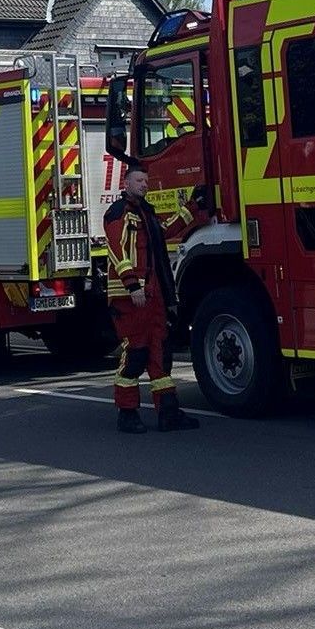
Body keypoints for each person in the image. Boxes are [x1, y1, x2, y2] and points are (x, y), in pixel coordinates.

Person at [104, 162, 206, 434]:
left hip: (154, 296)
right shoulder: (118, 213)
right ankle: (126, 414)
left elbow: (167, 230)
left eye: (146, 181)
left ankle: (168, 414)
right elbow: (116, 251)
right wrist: (131, 285)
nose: (144, 185)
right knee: (136, 353)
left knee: (160, 354)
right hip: (131, 297)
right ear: (126, 184)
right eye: (139, 181)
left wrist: (194, 206)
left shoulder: (145, 214)